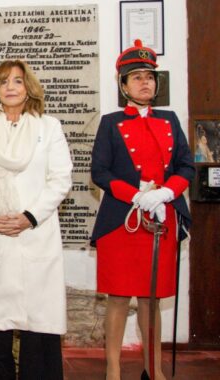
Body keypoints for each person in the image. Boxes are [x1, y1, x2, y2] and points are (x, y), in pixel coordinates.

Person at [0, 59, 73, 380]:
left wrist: (29, 217)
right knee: (0, 319)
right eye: (5, 81)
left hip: (35, 232)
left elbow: (60, 178)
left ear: (28, 88)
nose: (11, 87)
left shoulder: (48, 127)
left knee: (39, 318)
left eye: (18, 81)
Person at [90, 40, 194, 380]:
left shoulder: (170, 120)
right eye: (135, 77)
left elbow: (186, 166)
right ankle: (114, 369)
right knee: (118, 297)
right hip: (122, 219)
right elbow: (100, 172)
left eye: (149, 76)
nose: (144, 82)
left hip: (162, 218)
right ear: (123, 85)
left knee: (152, 298)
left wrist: (166, 192)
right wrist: (136, 196)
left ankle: (154, 368)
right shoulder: (110, 122)